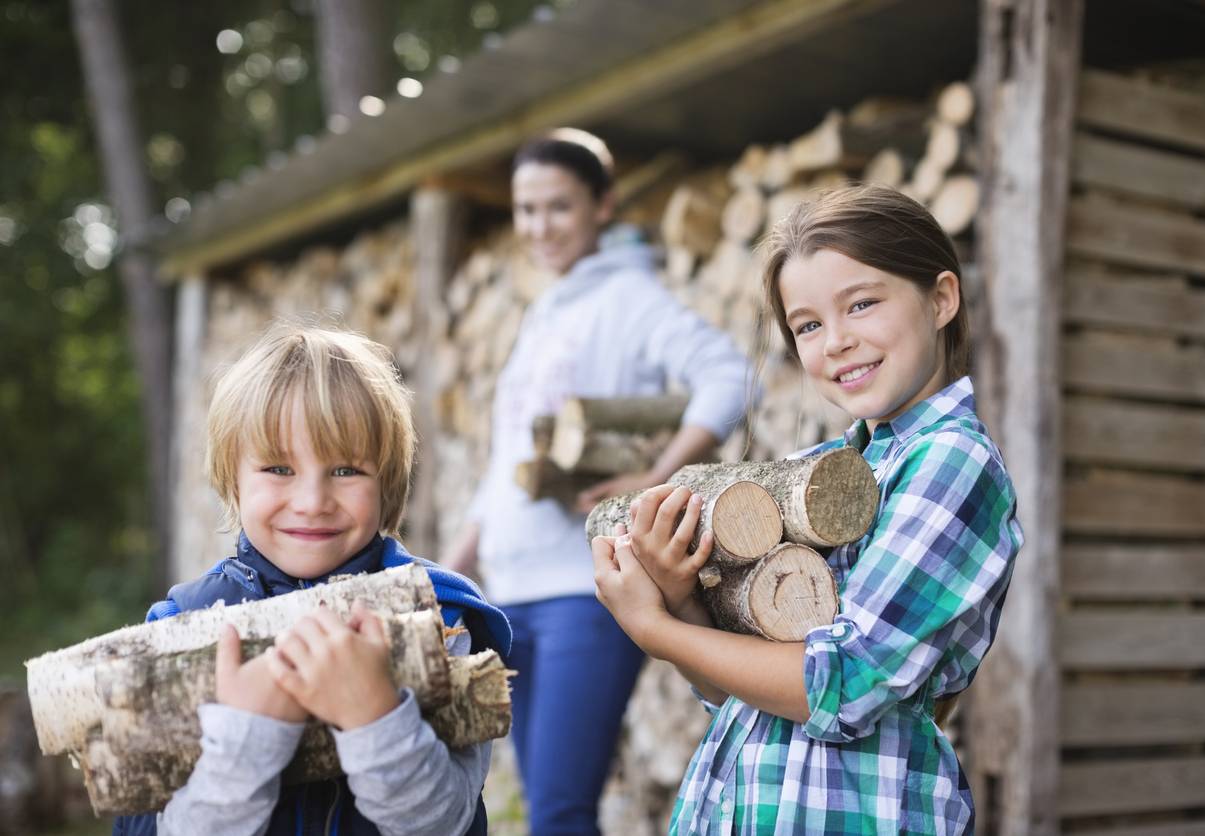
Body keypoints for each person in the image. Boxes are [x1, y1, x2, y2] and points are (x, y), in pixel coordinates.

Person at [592, 183, 1024, 834]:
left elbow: (844, 687)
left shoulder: (952, 464)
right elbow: (733, 687)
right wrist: (679, 598)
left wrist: (656, 631)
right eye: (810, 325)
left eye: (862, 304)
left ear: (941, 299)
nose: (837, 341)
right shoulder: (820, 473)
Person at [442, 128, 752, 834]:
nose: (539, 227)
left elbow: (730, 374)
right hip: (509, 595)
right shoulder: (543, 312)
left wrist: (654, 476)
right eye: (526, 210)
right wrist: (446, 578)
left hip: (587, 592)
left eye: (559, 207)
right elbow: (503, 468)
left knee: (558, 809)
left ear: (602, 205)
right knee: (538, 803)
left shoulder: (630, 298)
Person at [114, 322, 511, 836]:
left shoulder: (443, 619)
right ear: (232, 477)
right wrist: (246, 741)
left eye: (346, 470)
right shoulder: (178, 627)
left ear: (387, 483)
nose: (312, 501)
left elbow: (447, 824)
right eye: (278, 468)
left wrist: (377, 719)